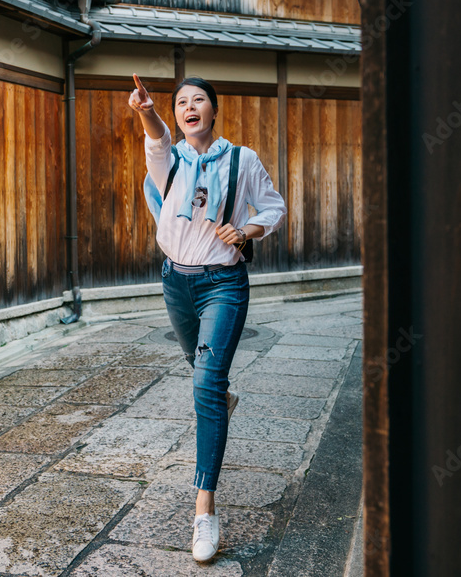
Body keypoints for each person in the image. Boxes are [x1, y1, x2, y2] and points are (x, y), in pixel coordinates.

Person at [129, 73, 286, 562]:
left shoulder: (243, 159)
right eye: (181, 103)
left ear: (215, 110)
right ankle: (223, 395)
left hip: (223, 284)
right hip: (176, 282)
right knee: (209, 383)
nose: (189, 107)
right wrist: (146, 110)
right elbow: (156, 135)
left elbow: (274, 207)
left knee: (203, 389)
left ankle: (204, 510)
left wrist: (246, 231)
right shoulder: (168, 157)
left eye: (199, 100)